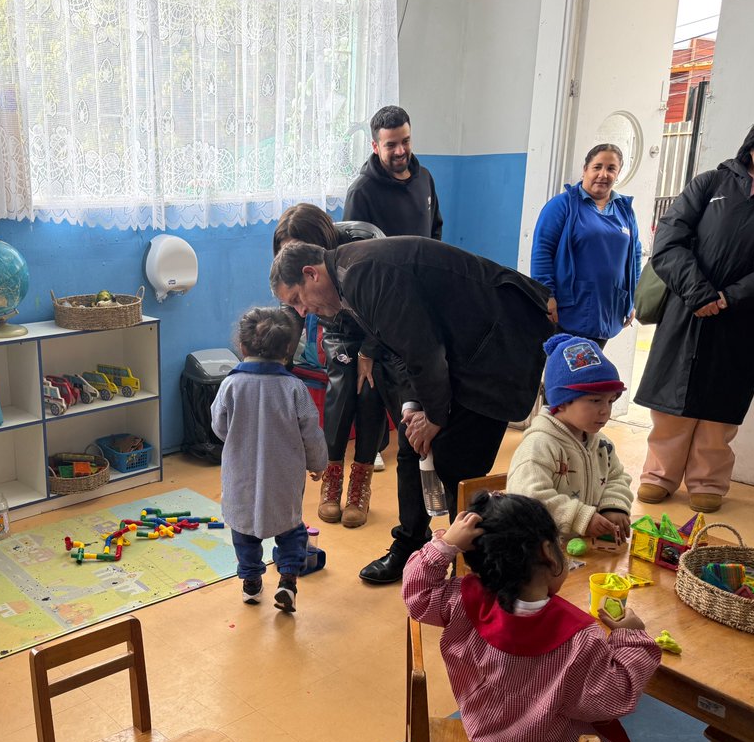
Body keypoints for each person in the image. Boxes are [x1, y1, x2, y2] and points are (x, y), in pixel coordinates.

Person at [270, 236, 554, 585]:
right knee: (410, 445)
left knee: (457, 464)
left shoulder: (363, 273)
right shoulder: (348, 280)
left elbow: (423, 350)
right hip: (460, 352)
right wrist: (414, 409)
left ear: (311, 274)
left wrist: (434, 417)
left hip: (499, 345)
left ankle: (473, 569)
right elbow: (403, 349)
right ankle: (411, 546)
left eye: (298, 299)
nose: (302, 311)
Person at [402, 493, 660, 742]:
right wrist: (632, 639)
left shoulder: (463, 598)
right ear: (547, 551)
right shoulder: (579, 637)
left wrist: (442, 547)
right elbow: (613, 700)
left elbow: (416, 593)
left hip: (482, 727)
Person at [634, 104, 754, 514]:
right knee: (671, 398)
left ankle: (708, 480)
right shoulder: (710, 183)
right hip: (688, 309)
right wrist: (699, 293)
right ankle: (659, 475)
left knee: (723, 402)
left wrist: (731, 297)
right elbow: (669, 240)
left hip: (746, 317)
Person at [273, 203, 388, 529]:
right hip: (337, 325)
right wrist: (280, 361)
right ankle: (332, 477)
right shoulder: (293, 270)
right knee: (340, 390)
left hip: (376, 325)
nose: (293, 263)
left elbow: (388, 305)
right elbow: (292, 313)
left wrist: (369, 350)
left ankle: (360, 484)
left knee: (369, 392)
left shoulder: (364, 241)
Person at [211, 306, 327, 612]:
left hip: (241, 481)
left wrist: (238, 439)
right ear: (288, 350)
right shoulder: (294, 388)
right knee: (292, 530)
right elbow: (311, 432)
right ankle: (287, 579)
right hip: (283, 481)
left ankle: (251, 584)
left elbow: (219, 427)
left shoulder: (231, 385)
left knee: (243, 533)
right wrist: (318, 464)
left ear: (242, 345)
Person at [507, 334, 634, 540]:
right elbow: (528, 498)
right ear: (563, 401)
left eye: (611, 401)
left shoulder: (603, 445)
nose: (605, 411)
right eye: (595, 400)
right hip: (542, 551)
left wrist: (614, 506)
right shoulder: (539, 445)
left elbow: (616, 477)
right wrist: (580, 517)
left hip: (586, 549)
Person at [531, 144, 642, 347]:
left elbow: (634, 257)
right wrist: (546, 294)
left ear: (617, 174)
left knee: (591, 374)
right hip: (569, 309)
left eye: (611, 169)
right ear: (585, 170)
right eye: (597, 167)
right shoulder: (562, 206)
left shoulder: (624, 211)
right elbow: (543, 250)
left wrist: (632, 300)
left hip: (607, 309)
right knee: (567, 373)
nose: (603, 174)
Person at [344, 105, 443, 241]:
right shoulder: (360, 192)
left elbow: (435, 229)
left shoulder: (425, 178)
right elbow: (351, 251)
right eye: (391, 145)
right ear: (375, 147)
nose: (400, 151)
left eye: (405, 141)